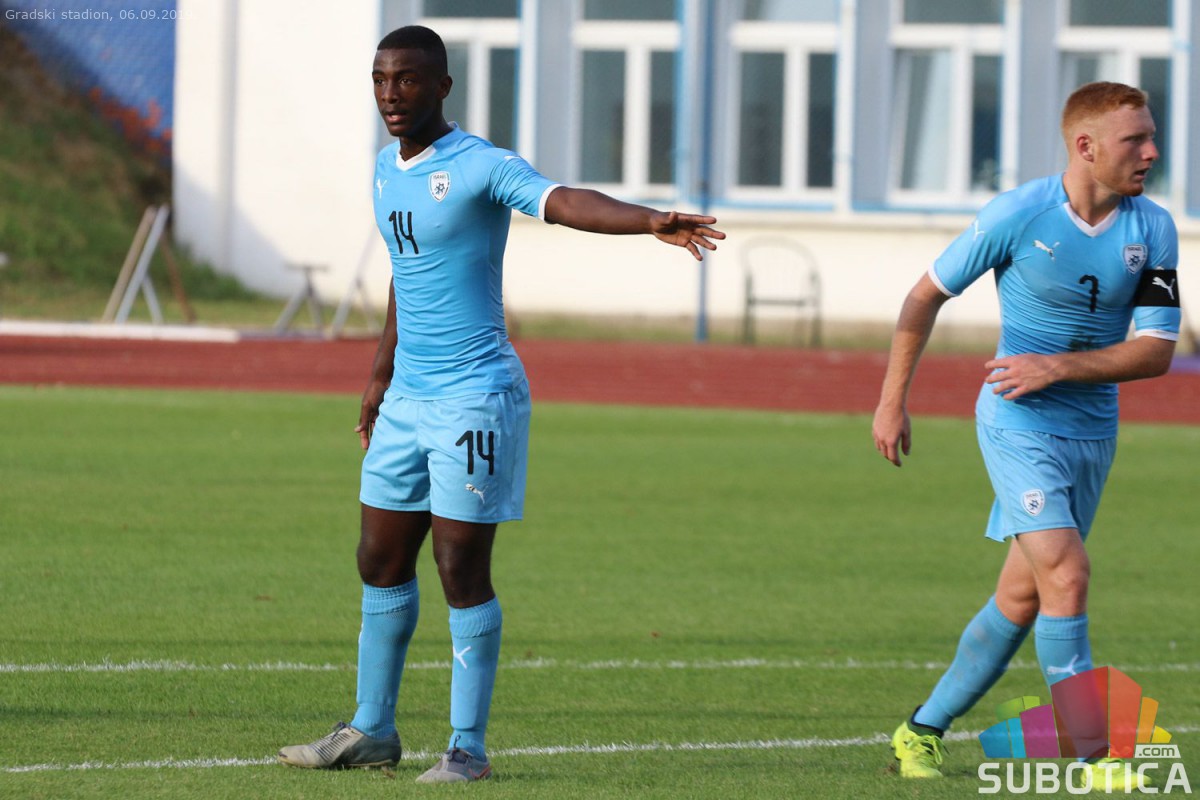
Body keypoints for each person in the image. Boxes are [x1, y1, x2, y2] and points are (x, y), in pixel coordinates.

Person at [278, 25, 724, 783]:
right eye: (381, 79)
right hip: (408, 396)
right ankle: (372, 728)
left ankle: (466, 749)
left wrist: (647, 219)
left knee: (459, 564)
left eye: (407, 79)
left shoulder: (480, 165)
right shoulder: (385, 169)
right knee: (378, 557)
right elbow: (407, 273)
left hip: (474, 397)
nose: (391, 94)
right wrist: (380, 375)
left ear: (442, 86)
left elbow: (562, 200)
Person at [872, 82, 1180, 791]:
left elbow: (1157, 351)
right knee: (1067, 574)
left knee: (1024, 597)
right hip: (1017, 420)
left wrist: (1060, 367)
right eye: (1136, 139)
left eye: (1151, 136)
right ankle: (1095, 757)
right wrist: (892, 403)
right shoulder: (1017, 214)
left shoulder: (1153, 227)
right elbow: (923, 297)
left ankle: (921, 729)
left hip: (1092, 429)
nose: (1152, 152)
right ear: (1086, 146)